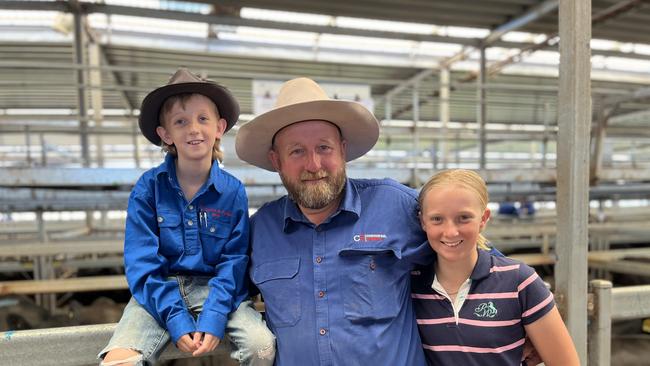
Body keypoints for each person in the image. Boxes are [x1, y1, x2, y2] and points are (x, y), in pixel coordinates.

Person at [234, 77, 433, 365]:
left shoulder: (397, 206)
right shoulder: (260, 229)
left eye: (324, 148)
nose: (313, 165)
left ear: (342, 149)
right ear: (276, 161)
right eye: (297, 151)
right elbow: (223, 292)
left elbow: (480, 263)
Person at [98, 68, 275, 366]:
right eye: (181, 121)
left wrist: (216, 314)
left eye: (202, 119)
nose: (193, 128)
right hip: (160, 292)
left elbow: (234, 261)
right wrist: (176, 317)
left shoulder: (232, 191)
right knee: (118, 363)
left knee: (262, 348)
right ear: (165, 134)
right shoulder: (148, 188)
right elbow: (142, 262)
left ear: (219, 127)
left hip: (219, 290)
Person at [411, 169, 579, 366]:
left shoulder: (520, 281)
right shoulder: (409, 285)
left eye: (464, 217)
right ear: (423, 221)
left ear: (483, 218)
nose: (450, 232)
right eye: (437, 219)